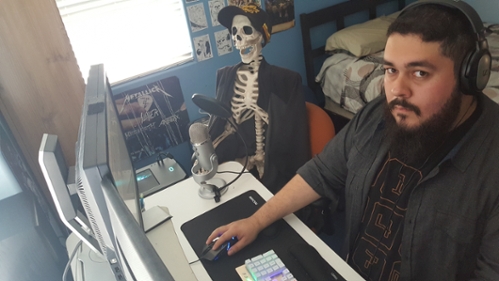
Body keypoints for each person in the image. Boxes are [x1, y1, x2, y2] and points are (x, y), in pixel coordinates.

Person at [206, 1, 499, 280]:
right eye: (390, 70)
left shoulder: (490, 161)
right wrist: (256, 221)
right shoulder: (376, 115)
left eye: (419, 73)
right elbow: (320, 173)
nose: (397, 90)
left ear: (470, 76)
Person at [209, 3, 310, 194]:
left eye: (246, 31)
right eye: (234, 32)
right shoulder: (224, 76)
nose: (238, 38)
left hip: (264, 164)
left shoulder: (285, 80)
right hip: (231, 158)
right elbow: (219, 121)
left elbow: (293, 137)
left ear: (262, 36)